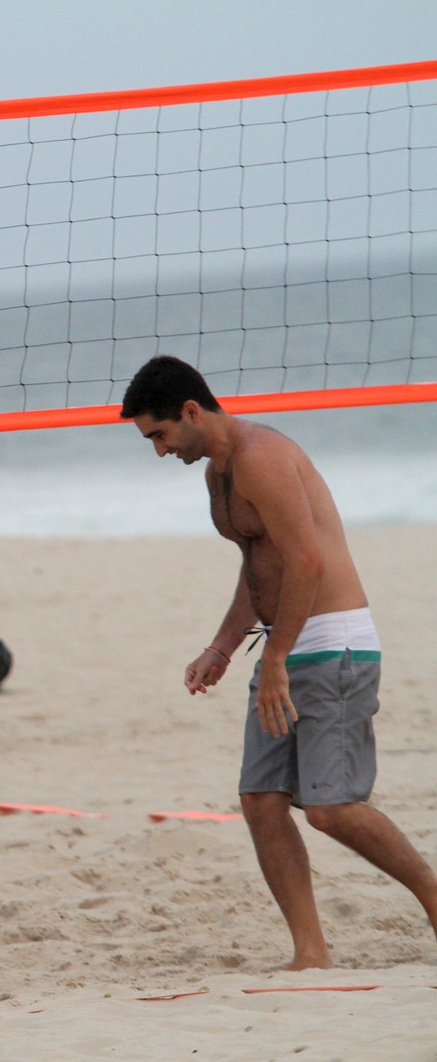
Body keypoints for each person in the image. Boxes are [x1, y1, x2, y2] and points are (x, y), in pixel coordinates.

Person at [122, 355, 437, 969]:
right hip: (287, 643)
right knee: (262, 799)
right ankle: (310, 951)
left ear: (191, 412)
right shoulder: (217, 473)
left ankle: (433, 895)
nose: (158, 451)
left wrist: (275, 662)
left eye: (159, 435)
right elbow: (257, 568)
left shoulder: (262, 457)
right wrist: (223, 644)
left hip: (332, 643)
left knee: (330, 808)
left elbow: (307, 564)